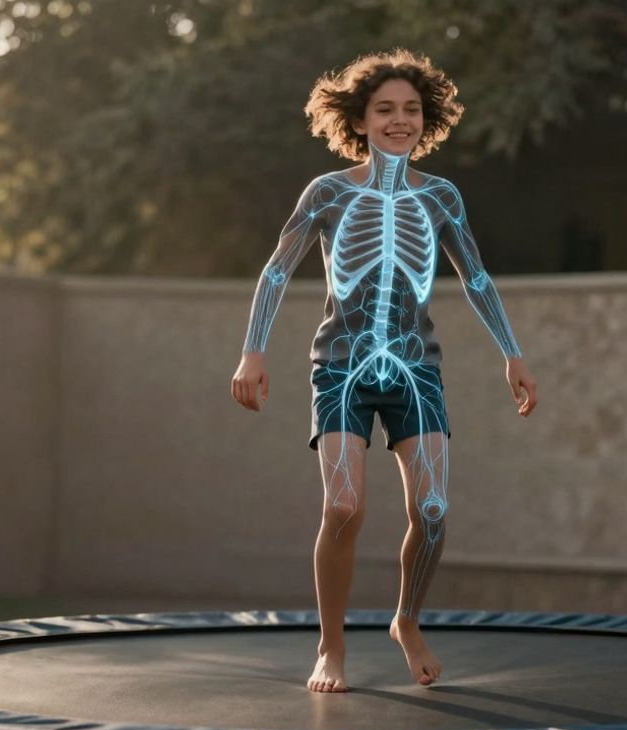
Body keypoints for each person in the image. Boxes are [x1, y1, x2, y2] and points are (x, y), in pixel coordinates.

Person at [229, 49, 537, 693]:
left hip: (415, 366)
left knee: (431, 509)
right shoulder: (329, 192)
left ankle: (407, 619)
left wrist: (511, 352)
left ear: (426, 120)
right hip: (340, 365)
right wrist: (253, 350)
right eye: (385, 109)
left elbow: (474, 276)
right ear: (360, 120)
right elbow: (278, 268)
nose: (399, 120)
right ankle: (331, 645)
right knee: (343, 506)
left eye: (411, 109)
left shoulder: (442, 197)